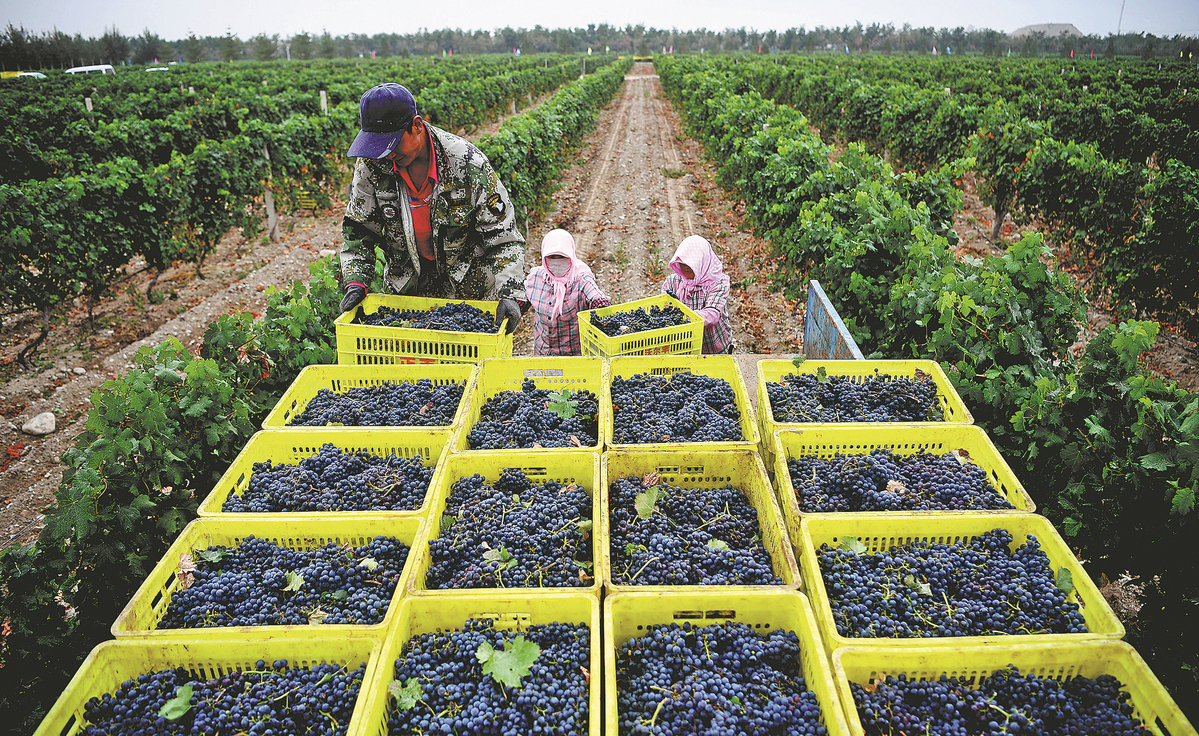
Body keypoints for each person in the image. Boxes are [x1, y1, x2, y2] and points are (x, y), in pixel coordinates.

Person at [337, 83, 527, 333]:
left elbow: (502, 236)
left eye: (392, 144)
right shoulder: (372, 166)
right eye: (378, 146)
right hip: (407, 297)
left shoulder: (468, 164)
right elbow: (359, 231)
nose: (387, 155)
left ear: (416, 125)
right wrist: (355, 281)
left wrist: (511, 292)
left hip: (468, 295)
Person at [524, 229, 611, 355]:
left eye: (562, 257)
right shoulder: (536, 278)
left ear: (570, 256)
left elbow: (595, 296)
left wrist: (601, 307)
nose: (557, 261)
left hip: (573, 355)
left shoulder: (581, 279)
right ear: (544, 257)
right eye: (552, 257)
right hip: (543, 353)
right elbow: (522, 299)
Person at [660, 235, 733, 354]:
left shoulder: (718, 283)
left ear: (702, 261)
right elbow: (664, 309)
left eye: (691, 263)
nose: (685, 267)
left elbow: (712, 315)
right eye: (682, 263)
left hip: (713, 348)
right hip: (684, 347)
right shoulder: (672, 282)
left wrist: (681, 316)